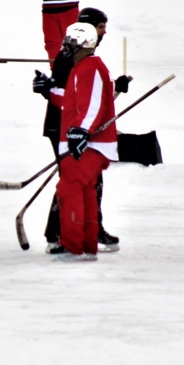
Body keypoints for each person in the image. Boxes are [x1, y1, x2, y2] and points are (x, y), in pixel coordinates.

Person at [32, 7, 130, 254]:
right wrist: (49, 90)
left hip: (80, 132)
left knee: (82, 185)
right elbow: (78, 101)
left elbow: (90, 101)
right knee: (73, 185)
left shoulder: (89, 61)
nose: (104, 31)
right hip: (66, 130)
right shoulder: (72, 59)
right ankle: (64, 234)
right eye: (100, 26)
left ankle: (83, 235)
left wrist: (115, 88)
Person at [45, 22, 119, 262]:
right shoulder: (81, 67)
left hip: (88, 144)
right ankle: (87, 245)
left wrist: (81, 132)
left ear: (85, 42)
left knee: (69, 189)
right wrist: (49, 91)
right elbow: (72, 101)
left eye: (71, 40)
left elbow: (93, 105)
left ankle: (73, 245)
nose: (66, 45)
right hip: (84, 141)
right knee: (85, 190)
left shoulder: (91, 67)